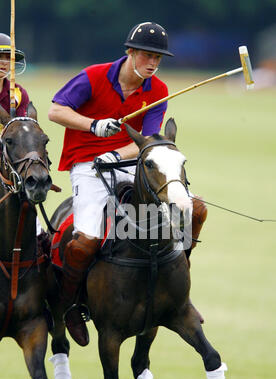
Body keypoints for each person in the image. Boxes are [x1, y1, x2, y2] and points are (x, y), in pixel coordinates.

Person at [48, 21, 207, 346]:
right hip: (87, 165)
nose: (152, 63)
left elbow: (148, 140)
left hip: (132, 162)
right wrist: (94, 126)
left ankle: (178, 296)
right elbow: (55, 110)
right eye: (147, 55)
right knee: (88, 240)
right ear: (130, 52)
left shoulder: (158, 90)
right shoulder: (94, 76)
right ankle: (69, 307)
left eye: (158, 58)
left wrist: (115, 153)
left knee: (190, 211)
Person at [0, 33, 51, 255]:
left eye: (8, 58)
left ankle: (38, 241)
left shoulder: (18, 93)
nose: (3, 63)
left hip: (7, 155)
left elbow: (23, 130)